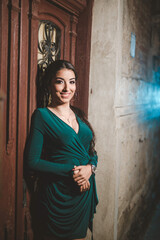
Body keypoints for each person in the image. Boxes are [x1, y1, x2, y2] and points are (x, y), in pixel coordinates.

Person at [25, 60, 98, 240]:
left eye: (71, 82)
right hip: (58, 197)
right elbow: (32, 162)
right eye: (60, 81)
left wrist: (91, 168)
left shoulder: (79, 114)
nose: (67, 88)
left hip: (82, 193)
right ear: (50, 84)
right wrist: (74, 171)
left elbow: (92, 152)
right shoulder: (42, 116)